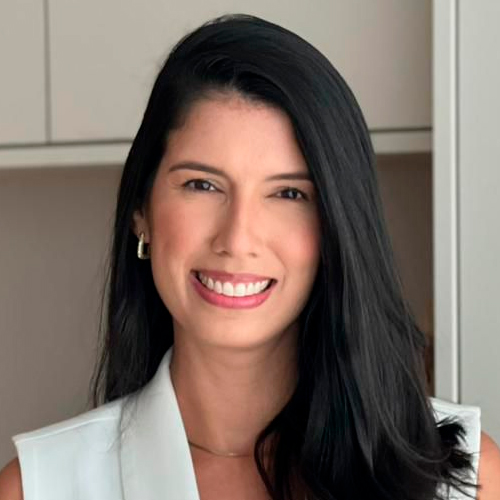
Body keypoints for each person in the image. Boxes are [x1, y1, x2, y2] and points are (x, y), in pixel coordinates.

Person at [1, 13, 500, 500]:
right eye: (202, 184)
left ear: (336, 227)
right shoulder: (40, 486)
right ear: (141, 211)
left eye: (288, 193)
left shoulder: (463, 480)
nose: (237, 239)